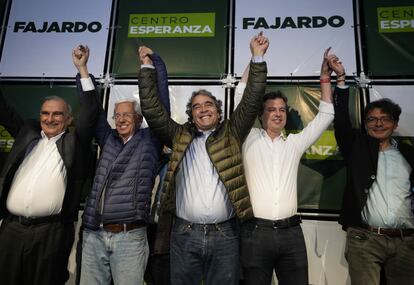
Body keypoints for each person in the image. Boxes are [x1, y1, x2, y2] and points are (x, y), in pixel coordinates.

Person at [137, 32, 269, 285]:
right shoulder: (178, 135)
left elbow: (252, 100)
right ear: (191, 114)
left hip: (226, 235)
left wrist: (258, 58)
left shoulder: (232, 133)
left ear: (219, 111)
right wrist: (145, 67)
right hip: (184, 234)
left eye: (209, 103)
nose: (203, 108)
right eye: (197, 106)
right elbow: (152, 110)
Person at [0, 46, 99, 285]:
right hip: (11, 230)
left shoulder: (75, 142)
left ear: (68, 119)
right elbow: (2, 109)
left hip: (51, 233)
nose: (50, 118)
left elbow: (90, 112)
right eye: (45, 113)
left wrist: (82, 69)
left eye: (57, 114)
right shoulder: (27, 133)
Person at [239, 47, 336, 285]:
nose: (278, 114)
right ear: (260, 115)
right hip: (254, 233)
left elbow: (326, 114)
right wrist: (255, 58)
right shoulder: (246, 138)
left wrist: (325, 76)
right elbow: (240, 97)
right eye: (271, 110)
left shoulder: (294, 143)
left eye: (282, 109)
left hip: (291, 233)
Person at [75, 45, 170, 285]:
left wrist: (151, 63)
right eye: (117, 115)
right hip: (93, 234)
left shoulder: (150, 140)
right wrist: (83, 69)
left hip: (129, 236)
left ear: (139, 119)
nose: (121, 119)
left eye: (127, 115)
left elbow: (160, 103)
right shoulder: (108, 139)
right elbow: (93, 110)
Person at [331, 53, 414, 285]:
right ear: (365, 124)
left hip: (406, 242)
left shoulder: (409, 154)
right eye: (372, 119)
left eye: (385, 119)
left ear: (395, 124)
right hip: (365, 239)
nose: (378, 123)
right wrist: (341, 80)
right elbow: (341, 121)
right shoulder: (356, 147)